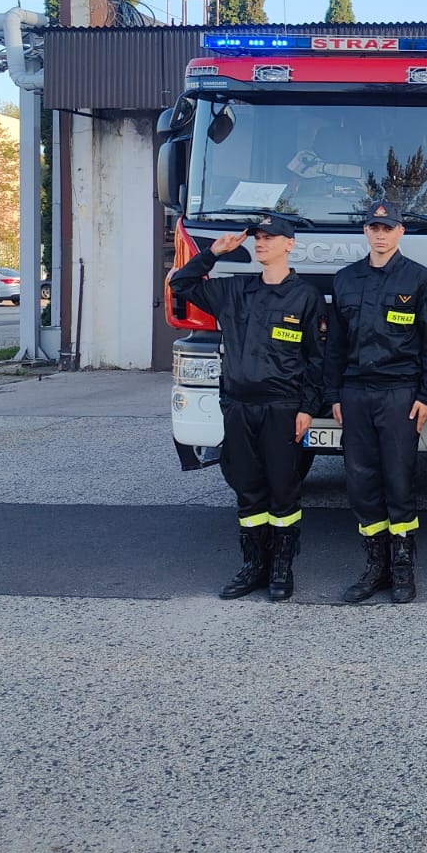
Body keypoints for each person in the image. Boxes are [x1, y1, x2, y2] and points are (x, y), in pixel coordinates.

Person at [168, 215, 325, 602]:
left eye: (270, 237)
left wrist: (308, 408)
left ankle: (281, 568)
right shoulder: (235, 290)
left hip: (282, 408)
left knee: (283, 491)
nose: (261, 243)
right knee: (247, 489)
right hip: (239, 407)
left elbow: (318, 359)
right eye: (258, 237)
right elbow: (181, 284)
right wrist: (213, 252)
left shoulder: (306, 297)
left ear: (289, 244)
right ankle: (254, 565)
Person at [324, 200, 427, 605]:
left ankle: (403, 569)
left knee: (398, 480)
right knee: (361, 483)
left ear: (400, 232)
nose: (380, 234)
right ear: (365, 231)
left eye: (387, 228)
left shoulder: (419, 280)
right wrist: (333, 394)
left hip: (399, 393)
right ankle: (375, 567)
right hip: (355, 392)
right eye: (374, 228)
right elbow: (335, 345)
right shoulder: (345, 280)